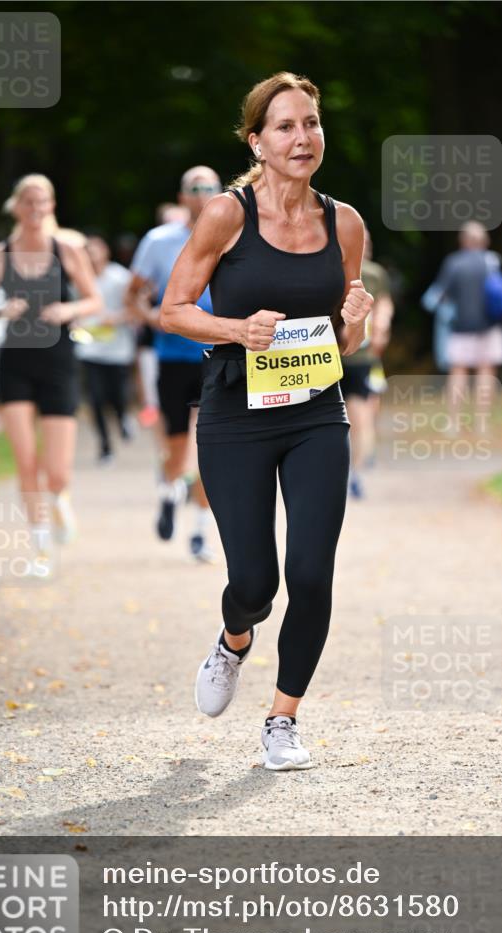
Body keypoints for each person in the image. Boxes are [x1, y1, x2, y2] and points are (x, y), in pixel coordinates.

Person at [160, 72, 373, 769]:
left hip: (316, 414)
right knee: (256, 582)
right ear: (256, 139)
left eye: (310, 123)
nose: (301, 137)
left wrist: (355, 327)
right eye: (284, 126)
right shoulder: (227, 214)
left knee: (311, 574)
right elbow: (173, 309)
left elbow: (344, 345)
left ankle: (282, 721)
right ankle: (233, 639)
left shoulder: (344, 224)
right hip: (235, 414)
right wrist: (233, 328)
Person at [0, 174, 102, 574]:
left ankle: (59, 501)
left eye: (42, 201)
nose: (35, 208)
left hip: (59, 361)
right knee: (26, 461)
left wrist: (68, 310)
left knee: (57, 471)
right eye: (28, 201)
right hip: (16, 363)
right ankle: (40, 550)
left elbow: (94, 300)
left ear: (51, 206)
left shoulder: (68, 250)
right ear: (16, 207)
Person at [129, 168, 222, 563]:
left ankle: (200, 530)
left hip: (218, 356)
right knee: (176, 444)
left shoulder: (232, 234)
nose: (201, 195)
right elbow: (133, 296)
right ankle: (169, 492)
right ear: (182, 197)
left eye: (208, 188)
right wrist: (156, 318)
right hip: (172, 356)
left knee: (210, 447)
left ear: (220, 192)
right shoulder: (159, 241)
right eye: (194, 189)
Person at [431, 221, 502, 432]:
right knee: (486, 373)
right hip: (490, 327)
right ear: (485, 241)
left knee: (458, 374)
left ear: (463, 240)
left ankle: (454, 423)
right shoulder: (494, 261)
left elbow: (438, 296)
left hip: (460, 328)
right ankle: (482, 423)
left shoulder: (453, 263)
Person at [339, 225, 394, 498]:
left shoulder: (339, 269)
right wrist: (382, 330)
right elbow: (385, 307)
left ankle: (352, 469)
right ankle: (356, 471)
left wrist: (381, 329)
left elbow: (384, 307)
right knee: (360, 411)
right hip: (355, 353)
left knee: (352, 413)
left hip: (342, 354)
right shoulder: (373, 273)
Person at [75, 235, 136, 463]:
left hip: (117, 350)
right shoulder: (79, 279)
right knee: (96, 399)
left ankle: (123, 418)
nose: (91, 255)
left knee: (117, 396)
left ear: (105, 252)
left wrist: (116, 318)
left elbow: (134, 310)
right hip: (89, 349)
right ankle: (105, 446)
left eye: (95, 250)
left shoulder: (120, 277)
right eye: (87, 251)